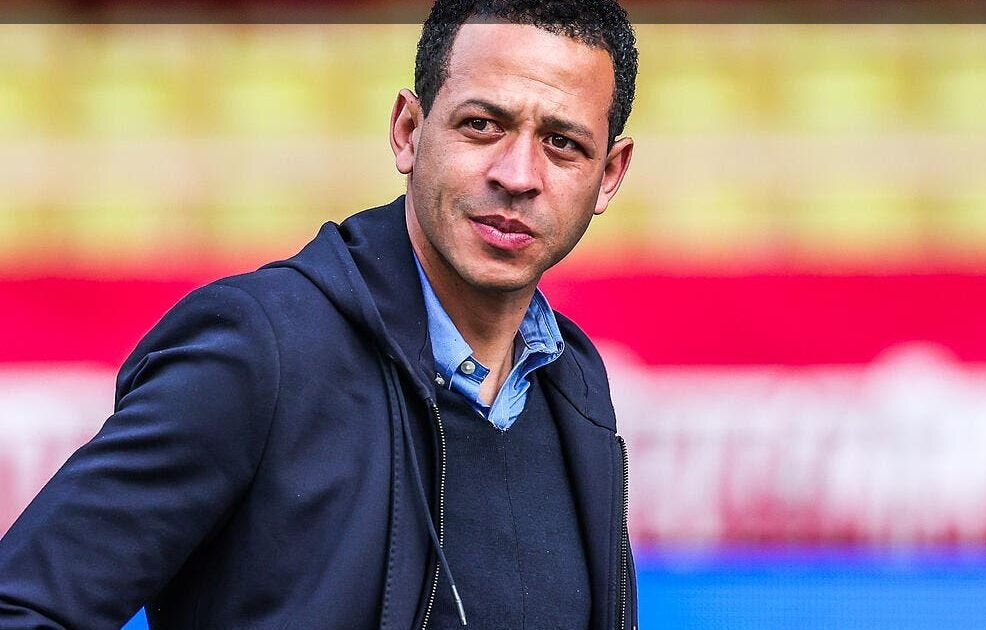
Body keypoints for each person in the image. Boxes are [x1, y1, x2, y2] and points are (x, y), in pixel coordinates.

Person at [0, 0, 638, 628]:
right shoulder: (261, 348)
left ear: (608, 175)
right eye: (482, 125)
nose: (519, 175)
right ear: (408, 131)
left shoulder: (575, 384)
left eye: (562, 143)